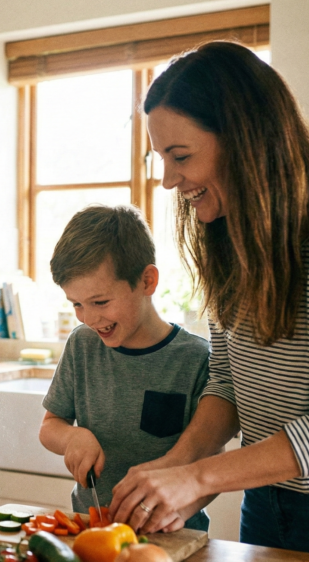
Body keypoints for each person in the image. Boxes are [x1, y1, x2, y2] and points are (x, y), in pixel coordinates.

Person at [107, 41, 309, 561]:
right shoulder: (231, 240)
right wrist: (176, 466)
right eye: (161, 158)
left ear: (245, 140)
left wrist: (197, 478)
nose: (168, 180)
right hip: (268, 501)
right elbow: (228, 383)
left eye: (181, 156)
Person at [38, 205, 212, 531]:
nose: (89, 318)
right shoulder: (82, 345)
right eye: (77, 304)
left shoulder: (195, 358)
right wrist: (73, 437)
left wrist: (179, 510)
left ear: (147, 281)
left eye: (100, 302)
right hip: (92, 529)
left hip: (170, 533)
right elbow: (50, 426)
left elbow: (209, 464)